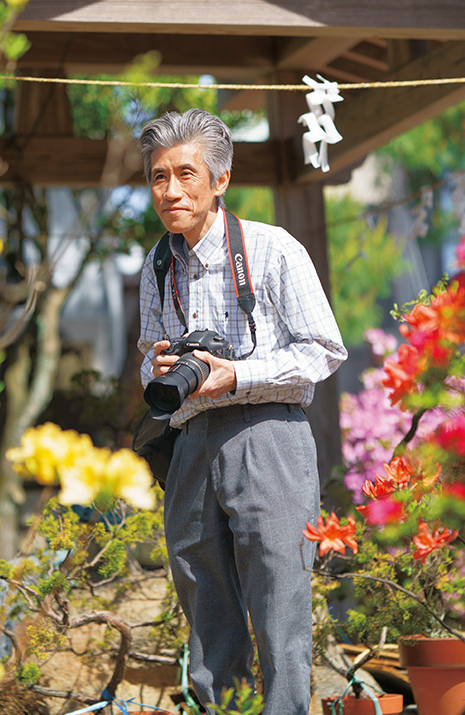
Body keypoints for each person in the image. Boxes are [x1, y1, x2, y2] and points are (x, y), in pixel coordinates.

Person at [137, 108, 347, 715]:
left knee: (280, 602)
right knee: (206, 612)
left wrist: (239, 373)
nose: (171, 190)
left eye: (185, 173)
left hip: (269, 435)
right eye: (157, 177)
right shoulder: (156, 266)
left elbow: (324, 349)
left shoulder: (271, 247)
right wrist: (161, 368)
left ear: (220, 180)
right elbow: (147, 367)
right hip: (190, 442)